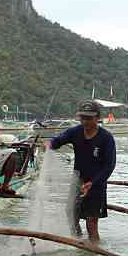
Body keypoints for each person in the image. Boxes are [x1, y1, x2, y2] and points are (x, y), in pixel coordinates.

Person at [47, 100, 116, 242]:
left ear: (97, 118)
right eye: (82, 117)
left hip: (96, 183)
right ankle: (78, 243)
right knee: (70, 216)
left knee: (91, 222)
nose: (85, 121)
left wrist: (93, 183)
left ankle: (95, 252)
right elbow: (58, 141)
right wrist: (50, 144)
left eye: (89, 118)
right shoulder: (75, 132)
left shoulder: (106, 138)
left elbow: (109, 166)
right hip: (77, 180)